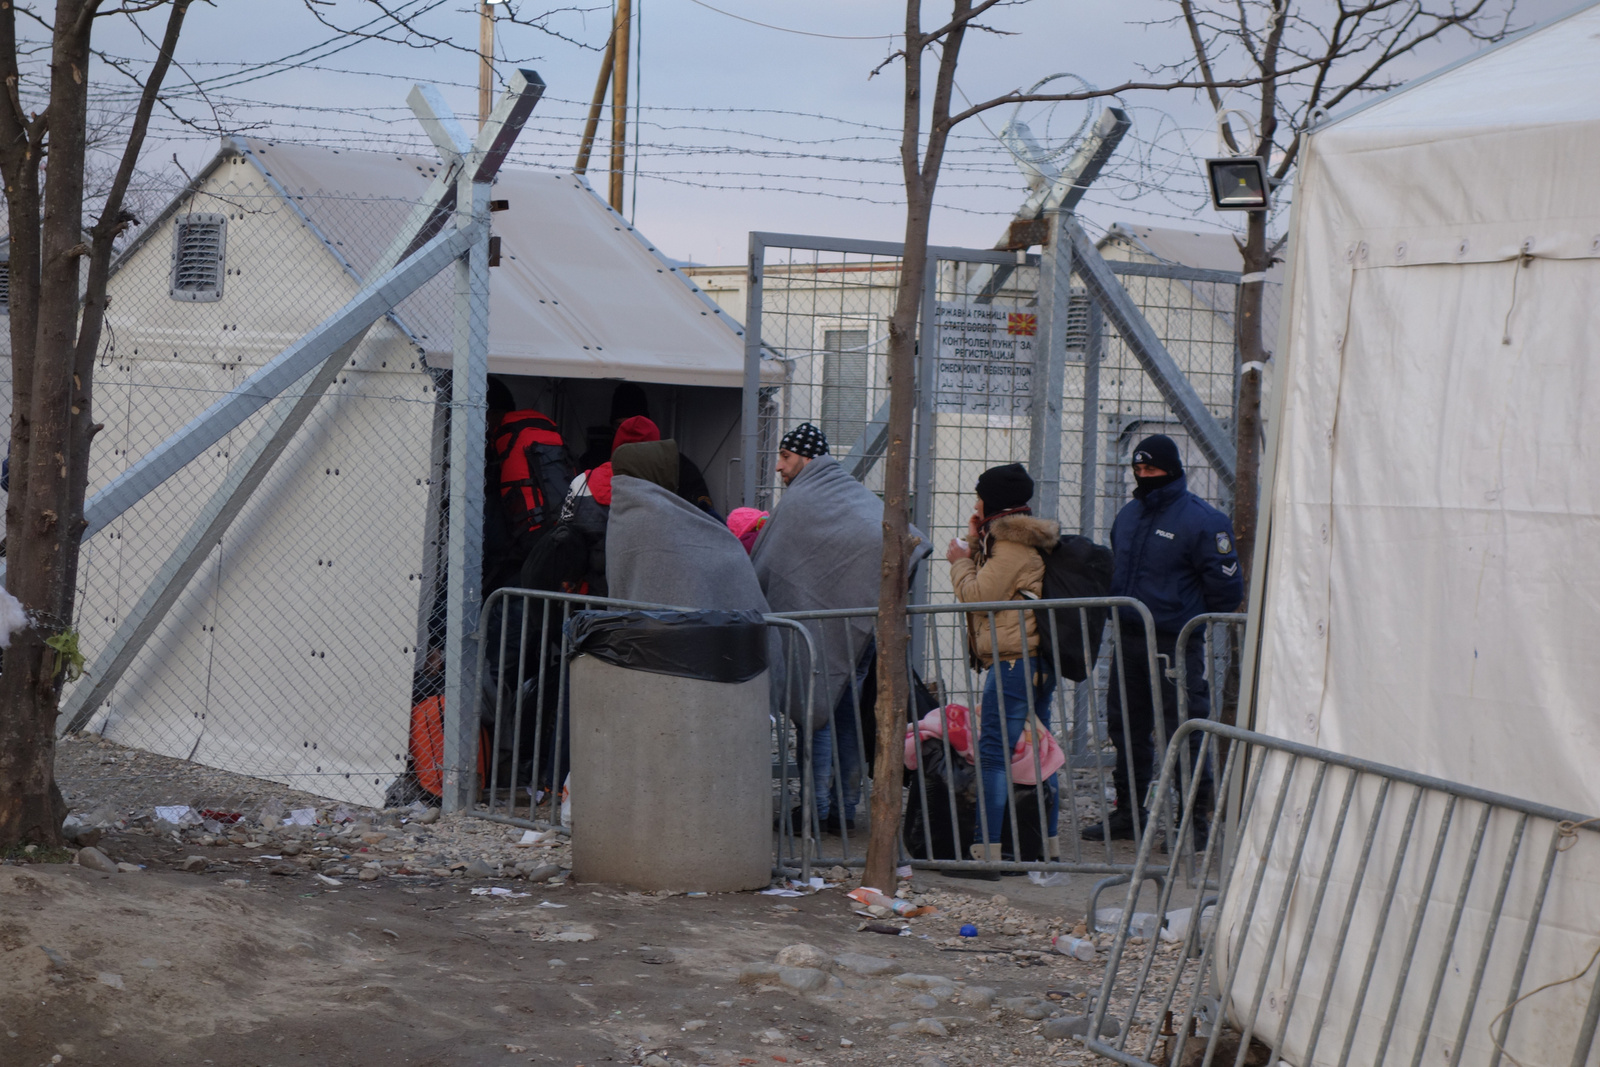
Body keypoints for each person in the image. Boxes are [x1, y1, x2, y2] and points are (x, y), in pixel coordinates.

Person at [752, 422, 930, 837]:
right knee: (847, 711)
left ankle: (816, 809)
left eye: (786, 457)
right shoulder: (850, 494)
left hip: (827, 626)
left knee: (817, 711)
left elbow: (773, 563)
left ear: (807, 459)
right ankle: (844, 810)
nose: (779, 467)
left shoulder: (803, 499)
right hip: (864, 624)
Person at [1082, 434, 1242, 843]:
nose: (1144, 476)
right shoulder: (1130, 515)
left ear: (1170, 470)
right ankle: (1129, 815)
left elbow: (1226, 591)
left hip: (1175, 644)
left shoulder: (1203, 520)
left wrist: (1182, 616)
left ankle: (1193, 823)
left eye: (1151, 469)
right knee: (1125, 728)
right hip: (1130, 639)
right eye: (1138, 469)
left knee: (1183, 730)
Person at [947, 462, 1063, 865]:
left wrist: (958, 560)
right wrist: (974, 536)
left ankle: (987, 850)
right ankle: (1045, 845)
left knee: (995, 753)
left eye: (979, 494)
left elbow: (978, 594)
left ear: (992, 499)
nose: (975, 501)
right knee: (1039, 750)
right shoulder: (1011, 540)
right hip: (1029, 661)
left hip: (1014, 662)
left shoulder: (1012, 546)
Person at [555, 415, 662, 597]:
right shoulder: (657, 490)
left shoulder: (581, 481)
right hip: (635, 595)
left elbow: (562, 531)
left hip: (586, 596)